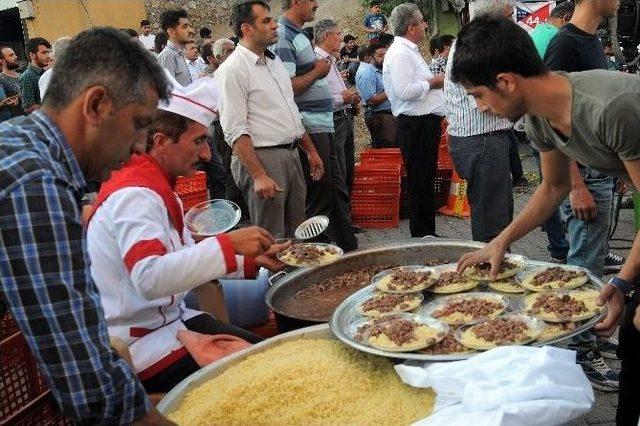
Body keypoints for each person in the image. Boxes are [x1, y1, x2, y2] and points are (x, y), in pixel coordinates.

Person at [452, 15, 640, 425]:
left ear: (506, 81)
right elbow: (553, 188)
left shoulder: (612, 108)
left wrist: (621, 281)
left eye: (479, 95)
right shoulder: (540, 116)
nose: (480, 107)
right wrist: (500, 241)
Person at [0, 27, 176, 424]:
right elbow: (88, 386)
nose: (139, 147)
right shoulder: (35, 182)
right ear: (96, 105)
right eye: (137, 125)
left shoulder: (19, 143)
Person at [87, 74, 287, 393]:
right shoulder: (135, 196)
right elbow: (149, 277)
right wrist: (227, 244)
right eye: (198, 141)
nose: (207, 154)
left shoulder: (158, 187)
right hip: (139, 347)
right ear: (162, 141)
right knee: (271, 375)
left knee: (277, 354)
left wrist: (250, 260)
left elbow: (180, 260)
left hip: (168, 323)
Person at [544, 0, 623, 389]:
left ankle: (586, 337)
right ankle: (577, 353)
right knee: (583, 269)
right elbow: (553, 117)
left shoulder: (591, 41)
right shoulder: (564, 45)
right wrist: (575, 185)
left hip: (601, 172)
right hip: (584, 177)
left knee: (591, 264)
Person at [215, 0, 324, 239]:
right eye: (266, 21)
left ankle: (295, 277)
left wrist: (310, 151)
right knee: (272, 239)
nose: (275, 25)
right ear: (247, 29)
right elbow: (235, 130)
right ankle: (272, 278)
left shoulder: (274, 63)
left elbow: (290, 112)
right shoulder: (232, 69)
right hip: (263, 158)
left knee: (297, 235)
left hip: (292, 154)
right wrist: (258, 175)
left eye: (273, 19)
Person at [273, 0, 358, 252]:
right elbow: (287, 88)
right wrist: (318, 72)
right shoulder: (284, 36)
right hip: (311, 126)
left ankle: (348, 250)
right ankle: (314, 258)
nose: (316, 4)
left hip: (323, 124)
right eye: (311, 1)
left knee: (336, 190)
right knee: (321, 196)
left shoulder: (297, 34)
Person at [443, 0, 516, 243]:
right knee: (491, 221)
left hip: (484, 138)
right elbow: (487, 102)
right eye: (509, 17)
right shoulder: (475, 45)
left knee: (498, 214)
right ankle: (487, 272)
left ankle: (495, 266)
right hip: (481, 140)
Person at [383, 3, 445, 238]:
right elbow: (404, 91)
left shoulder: (409, 51)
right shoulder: (399, 53)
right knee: (420, 180)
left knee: (425, 178)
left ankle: (427, 232)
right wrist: (432, 83)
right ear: (411, 27)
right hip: (415, 125)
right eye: (421, 21)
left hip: (424, 123)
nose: (425, 25)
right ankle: (421, 234)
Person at [528, 0, 574, 268]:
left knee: (548, 185)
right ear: (566, 17)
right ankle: (565, 248)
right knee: (560, 188)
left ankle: (557, 246)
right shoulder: (560, 38)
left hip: (537, 122)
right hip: (554, 124)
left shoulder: (537, 34)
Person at [314, 19, 359, 193]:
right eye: (338, 34)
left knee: (347, 169)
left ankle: (345, 213)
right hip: (333, 121)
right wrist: (342, 98)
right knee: (338, 172)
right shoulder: (317, 61)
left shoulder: (330, 60)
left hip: (344, 118)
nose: (341, 39)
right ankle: (340, 216)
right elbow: (315, 100)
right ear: (326, 36)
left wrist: (350, 98)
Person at [356, 42, 395, 148]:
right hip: (380, 117)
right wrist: (391, 90)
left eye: (386, 55)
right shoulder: (368, 74)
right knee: (387, 149)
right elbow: (371, 100)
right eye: (380, 55)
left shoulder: (385, 71)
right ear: (371, 57)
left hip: (391, 115)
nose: (384, 58)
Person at [157, 8, 195, 86]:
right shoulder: (168, 55)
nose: (191, 30)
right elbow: (169, 92)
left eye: (189, 26)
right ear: (171, 32)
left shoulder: (178, 53)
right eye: (185, 27)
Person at [20, 37, 50, 113]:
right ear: (32, 55)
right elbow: (28, 107)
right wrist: (52, 107)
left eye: (48, 52)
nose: (48, 56)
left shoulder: (45, 73)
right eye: (44, 53)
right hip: (41, 122)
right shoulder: (27, 76)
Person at [0, 46, 22, 119]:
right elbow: (3, 101)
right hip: (12, 122)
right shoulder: (1, 79)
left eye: (14, 54)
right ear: (2, 61)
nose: (16, 57)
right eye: (11, 55)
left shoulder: (23, 76)